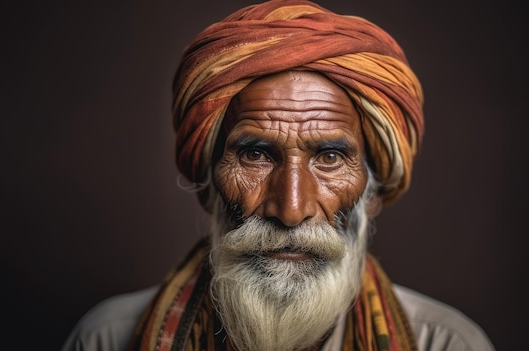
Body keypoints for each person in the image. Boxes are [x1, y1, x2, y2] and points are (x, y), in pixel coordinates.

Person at [62, 1, 495, 350]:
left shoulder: (446, 343)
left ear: (372, 192)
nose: (290, 209)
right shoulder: (107, 339)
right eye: (255, 154)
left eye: (329, 157)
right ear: (208, 186)